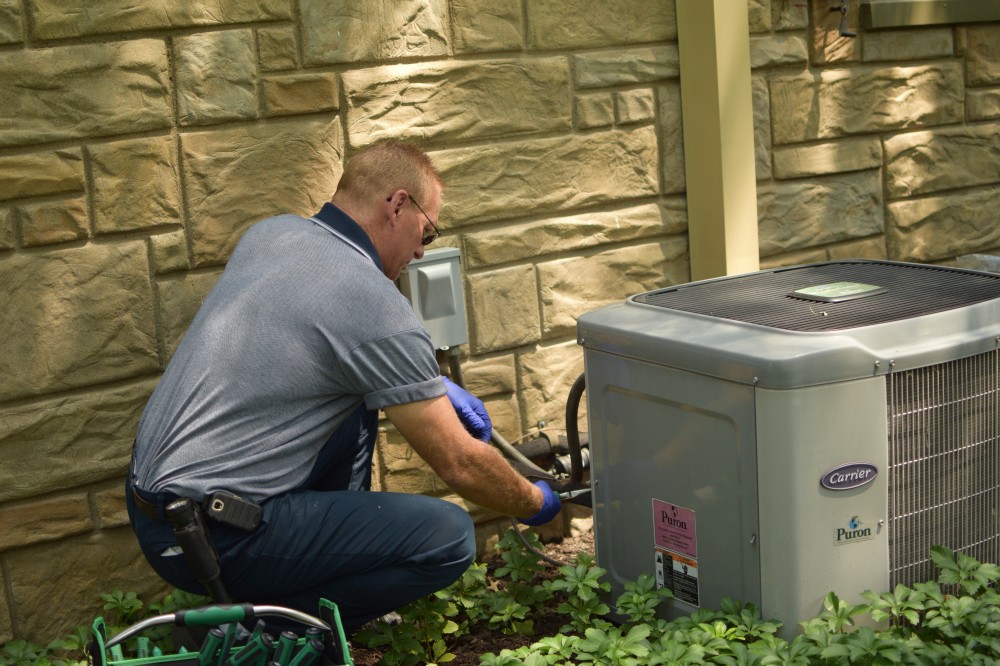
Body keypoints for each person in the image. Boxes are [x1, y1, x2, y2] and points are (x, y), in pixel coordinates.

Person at [126, 140, 561, 635]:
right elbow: (458, 463)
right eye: (427, 232)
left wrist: (430, 380)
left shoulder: (273, 234)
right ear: (398, 205)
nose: (422, 250)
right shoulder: (375, 304)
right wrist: (536, 501)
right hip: (217, 537)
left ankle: (273, 596)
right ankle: (266, 628)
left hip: (152, 507)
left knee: (356, 403)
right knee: (449, 538)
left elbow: (312, 341)